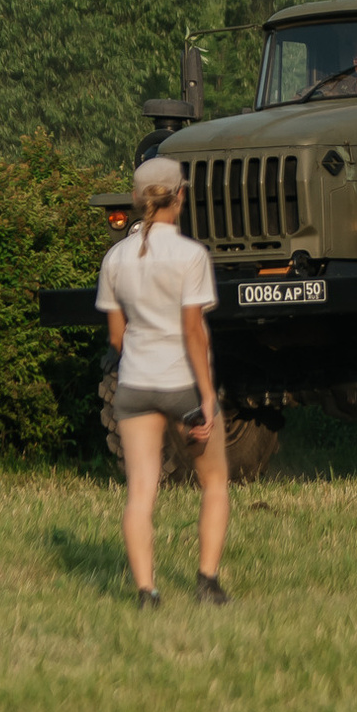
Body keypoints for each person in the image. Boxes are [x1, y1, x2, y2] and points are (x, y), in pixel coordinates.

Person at [94, 156, 230, 609]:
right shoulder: (192, 255)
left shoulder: (114, 258)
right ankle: (207, 583)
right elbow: (194, 332)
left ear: (135, 200)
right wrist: (207, 398)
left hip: (134, 386)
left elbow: (117, 337)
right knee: (213, 482)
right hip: (182, 387)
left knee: (141, 493)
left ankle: (147, 592)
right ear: (181, 195)